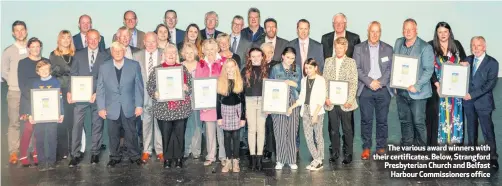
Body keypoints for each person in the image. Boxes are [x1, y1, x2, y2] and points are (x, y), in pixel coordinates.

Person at [96, 41, 144, 167]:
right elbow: (100, 88)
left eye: (120, 50)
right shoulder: (104, 67)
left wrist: (139, 105)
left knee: (131, 133)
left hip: (129, 106)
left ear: (124, 51)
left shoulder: (134, 65)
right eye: (115, 51)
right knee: (113, 134)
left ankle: (134, 156)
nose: (117, 53)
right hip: (111, 107)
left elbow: (139, 87)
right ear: (111, 52)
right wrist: (101, 107)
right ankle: (114, 156)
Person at [68, 29, 109, 167]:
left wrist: (97, 93)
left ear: (99, 39)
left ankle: (95, 153)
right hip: (80, 97)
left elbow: (106, 78)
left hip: (97, 96)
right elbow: (72, 74)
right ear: (86, 40)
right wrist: (70, 91)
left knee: (97, 125)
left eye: (95, 38)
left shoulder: (105, 56)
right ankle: (75, 154)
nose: (92, 41)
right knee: (77, 125)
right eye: (90, 38)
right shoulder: (78, 55)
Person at [147, 44, 192, 168]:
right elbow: (150, 86)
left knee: (179, 135)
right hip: (163, 109)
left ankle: (178, 159)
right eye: (168, 53)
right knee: (166, 135)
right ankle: (167, 159)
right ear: (164, 55)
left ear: (176, 55)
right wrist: (154, 93)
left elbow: (190, 86)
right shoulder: (157, 70)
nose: (171, 55)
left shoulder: (183, 69)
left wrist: (187, 88)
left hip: (181, 109)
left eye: (173, 52)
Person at [353, 21, 393, 159]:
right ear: (368, 31)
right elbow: (356, 68)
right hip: (366, 88)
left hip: (383, 89)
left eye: (377, 32)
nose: (375, 34)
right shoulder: (358, 48)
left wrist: (380, 82)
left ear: (380, 33)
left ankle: (381, 147)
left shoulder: (388, 48)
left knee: (382, 120)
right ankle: (366, 148)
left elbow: (390, 69)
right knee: (366, 120)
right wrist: (370, 81)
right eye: (372, 31)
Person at [393, 19, 434, 147]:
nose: (408, 32)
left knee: (418, 122)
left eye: (411, 29)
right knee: (405, 121)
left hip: (418, 93)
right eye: (405, 29)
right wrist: (394, 83)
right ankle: (407, 146)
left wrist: (417, 86)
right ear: (402, 30)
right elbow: (395, 64)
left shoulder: (425, 47)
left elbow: (429, 70)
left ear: (416, 30)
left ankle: (421, 149)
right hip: (401, 91)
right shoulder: (398, 42)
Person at [426, 22, 467, 146]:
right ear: (436, 33)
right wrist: (437, 84)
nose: (443, 34)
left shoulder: (457, 45)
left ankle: (455, 148)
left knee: (456, 118)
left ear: (449, 32)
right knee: (436, 118)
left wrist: (465, 64)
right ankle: (437, 149)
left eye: (445, 32)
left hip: (455, 91)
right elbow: (428, 67)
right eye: (440, 32)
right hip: (437, 89)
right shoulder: (430, 46)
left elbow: (464, 61)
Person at [463, 36, 499, 170]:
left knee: (487, 131)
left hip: (483, 103)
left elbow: (489, 85)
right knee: (471, 131)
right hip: (468, 103)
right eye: (473, 45)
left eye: (478, 45)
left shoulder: (493, 63)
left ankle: (492, 157)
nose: (476, 48)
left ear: (484, 47)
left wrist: (471, 94)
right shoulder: (467, 60)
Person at [323, 37, 358, 164]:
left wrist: (350, 99)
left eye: (341, 48)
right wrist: (326, 97)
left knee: (347, 129)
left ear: (345, 48)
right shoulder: (328, 61)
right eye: (336, 47)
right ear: (334, 48)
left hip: (346, 103)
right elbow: (325, 81)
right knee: (333, 129)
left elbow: (354, 82)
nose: (338, 50)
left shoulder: (351, 62)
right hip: (331, 102)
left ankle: (348, 154)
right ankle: (335, 153)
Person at [287, 59, 326, 171]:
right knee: (308, 137)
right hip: (305, 110)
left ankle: (319, 160)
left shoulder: (320, 80)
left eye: (310, 67)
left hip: (317, 111)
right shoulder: (304, 80)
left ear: (316, 68)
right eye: (306, 68)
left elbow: (322, 98)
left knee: (318, 136)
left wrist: (315, 114)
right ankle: (317, 159)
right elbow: (301, 98)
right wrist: (292, 107)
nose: (307, 70)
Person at [17, 37, 49, 167]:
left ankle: (36, 153)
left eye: (38, 46)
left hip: (43, 101)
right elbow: (22, 84)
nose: (35, 49)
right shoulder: (23, 63)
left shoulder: (46, 61)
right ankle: (23, 153)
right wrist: (33, 98)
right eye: (33, 46)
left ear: (40, 47)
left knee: (39, 129)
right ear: (28, 48)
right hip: (28, 100)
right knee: (28, 128)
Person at [269, 47, 302, 170]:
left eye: (292, 58)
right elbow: (271, 86)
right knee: (280, 132)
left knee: (293, 132)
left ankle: (292, 159)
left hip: (293, 101)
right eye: (288, 57)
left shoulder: (297, 68)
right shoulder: (275, 68)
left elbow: (299, 86)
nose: (290, 60)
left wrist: (290, 82)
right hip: (278, 101)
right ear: (282, 56)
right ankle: (280, 160)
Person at [133, 32, 164, 163]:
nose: (151, 44)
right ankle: (146, 150)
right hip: (143, 96)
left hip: (160, 95)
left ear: (157, 42)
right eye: (148, 42)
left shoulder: (164, 53)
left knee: (159, 124)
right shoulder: (136, 56)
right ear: (144, 42)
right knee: (146, 124)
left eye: (153, 41)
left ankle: (160, 150)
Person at [28, 61, 64, 171]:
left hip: (53, 116)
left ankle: (52, 161)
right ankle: (42, 161)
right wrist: (31, 114)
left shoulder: (55, 82)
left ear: (50, 70)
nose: (44, 71)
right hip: (39, 117)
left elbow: (60, 99)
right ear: (37, 72)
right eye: (41, 70)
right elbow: (32, 100)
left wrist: (61, 113)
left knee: (52, 138)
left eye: (46, 69)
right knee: (39, 139)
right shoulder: (35, 83)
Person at [195, 39, 227, 166]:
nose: (210, 52)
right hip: (207, 103)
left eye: (212, 49)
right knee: (209, 132)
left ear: (217, 49)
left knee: (222, 131)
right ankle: (211, 156)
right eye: (207, 49)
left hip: (221, 102)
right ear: (203, 50)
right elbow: (197, 83)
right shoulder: (200, 64)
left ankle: (223, 156)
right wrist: (202, 102)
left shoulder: (224, 62)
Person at [2, 20, 28, 164]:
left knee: (29, 122)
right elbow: (4, 71)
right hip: (14, 92)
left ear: (26, 31)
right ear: (13, 33)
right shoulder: (8, 51)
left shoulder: (32, 48)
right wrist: (13, 82)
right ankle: (14, 151)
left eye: (22, 29)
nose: (20, 33)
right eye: (17, 30)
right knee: (14, 122)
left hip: (29, 92)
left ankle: (29, 150)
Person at [49, 30, 77, 161]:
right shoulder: (53, 55)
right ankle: (62, 150)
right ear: (59, 40)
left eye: (68, 38)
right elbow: (52, 75)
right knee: (61, 121)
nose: (66, 40)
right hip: (59, 91)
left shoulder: (75, 54)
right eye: (63, 38)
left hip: (73, 91)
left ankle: (73, 149)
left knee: (72, 122)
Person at [218, 59, 246, 173]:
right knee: (226, 137)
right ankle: (228, 160)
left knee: (236, 137)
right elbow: (217, 102)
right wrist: (219, 117)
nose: (230, 69)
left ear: (236, 68)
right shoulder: (221, 82)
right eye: (227, 67)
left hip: (237, 111)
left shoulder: (240, 81)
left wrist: (243, 118)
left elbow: (243, 102)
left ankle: (236, 161)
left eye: (232, 67)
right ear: (224, 69)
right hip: (225, 111)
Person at [241, 48, 268, 170]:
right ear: (249, 58)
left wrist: (268, 105)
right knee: (252, 129)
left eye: (258, 56)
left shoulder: (267, 70)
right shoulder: (245, 71)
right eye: (253, 56)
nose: (256, 58)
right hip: (250, 101)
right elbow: (242, 91)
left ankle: (259, 158)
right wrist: (244, 109)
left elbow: (271, 89)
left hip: (263, 101)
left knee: (261, 129)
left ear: (262, 57)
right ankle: (252, 158)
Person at [182, 43, 203, 159]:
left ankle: (196, 150)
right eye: (187, 52)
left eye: (191, 52)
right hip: (183, 101)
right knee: (186, 126)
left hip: (197, 100)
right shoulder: (179, 66)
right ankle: (186, 149)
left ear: (195, 53)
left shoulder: (200, 65)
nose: (189, 55)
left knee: (197, 126)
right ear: (183, 54)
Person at [260, 42, 279, 161]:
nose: (269, 54)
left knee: (271, 126)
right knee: (260, 127)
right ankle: (261, 149)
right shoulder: (256, 64)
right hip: (258, 99)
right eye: (266, 52)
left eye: (271, 52)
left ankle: (271, 149)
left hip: (273, 100)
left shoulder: (277, 65)